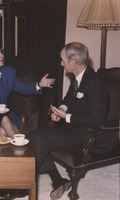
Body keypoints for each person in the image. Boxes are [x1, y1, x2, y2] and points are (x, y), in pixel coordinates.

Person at [27, 42, 118, 200]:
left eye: (63, 60)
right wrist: (62, 109)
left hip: (94, 135)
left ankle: (22, 184)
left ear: (73, 62)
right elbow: (69, 99)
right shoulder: (78, 77)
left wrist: (66, 117)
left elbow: (96, 120)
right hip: (77, 129)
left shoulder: (95, 84)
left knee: (41, 139)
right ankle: (58, 180)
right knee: (34, 135)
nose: (61, 63)